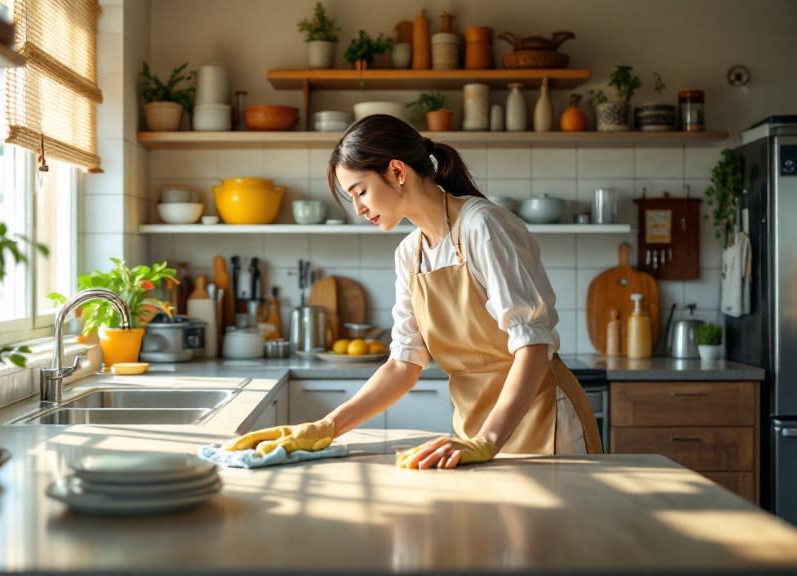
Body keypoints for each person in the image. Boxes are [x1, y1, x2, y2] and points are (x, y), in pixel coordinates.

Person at [227, 114, 602, 469]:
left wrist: (488, 439)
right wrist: (325, 427)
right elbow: (403, 364)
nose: (358, 209)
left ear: (396, 171)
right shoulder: (410, 253)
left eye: (360, 192)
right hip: (474, 432)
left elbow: (533, 347)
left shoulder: (483, 226)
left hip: (541, 422)